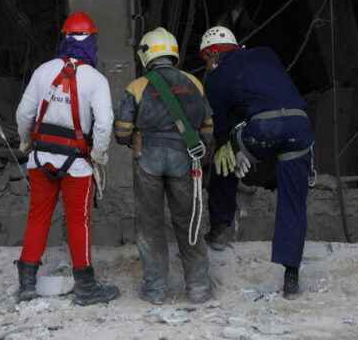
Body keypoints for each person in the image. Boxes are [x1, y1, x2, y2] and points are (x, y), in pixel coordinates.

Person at [200, 26, 314, 299]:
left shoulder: (215, 78)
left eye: (205, 59)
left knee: (223, 160)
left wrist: (228, 145)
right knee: (294, 201)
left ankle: (221, 227)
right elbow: (270, 87)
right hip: (300, 126)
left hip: (263, 130)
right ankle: (291, 276)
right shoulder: (266, 53)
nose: (207, 65)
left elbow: (221, 125)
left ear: (213, 53)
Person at [14, 11, 119, 306]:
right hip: (78, 164)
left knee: (38, 217)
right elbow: (104, 123)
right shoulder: (95, 79)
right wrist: (98, 155)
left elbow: (24, 114)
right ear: (92, 42)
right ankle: (85, 288)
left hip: (40, 159)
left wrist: (26, 142)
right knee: (79, 221)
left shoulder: (42, 71)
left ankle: (26, 285)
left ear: (65, 39)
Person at [114, 27, 214, 305]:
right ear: (173, 52)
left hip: (149, 158)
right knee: (189, 221)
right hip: (185, 158)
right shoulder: (195, 82)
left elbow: (122, 131)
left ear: (146, 54)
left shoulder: (137, 86)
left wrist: (131, 138)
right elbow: (208, 129)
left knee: (150, 225)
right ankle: (198, 288)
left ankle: (156, 290)